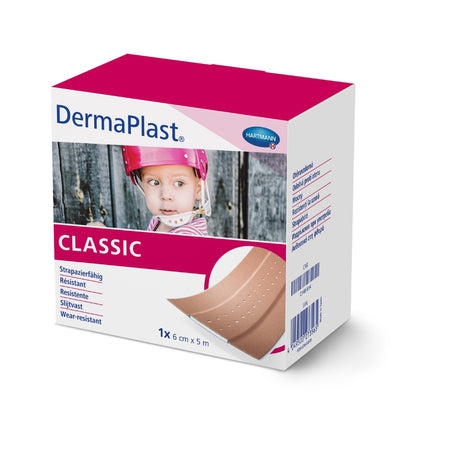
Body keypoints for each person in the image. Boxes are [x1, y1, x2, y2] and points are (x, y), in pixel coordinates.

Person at [122, 146, 210, 236]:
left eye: (179, 183)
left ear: (198, 190)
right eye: (154, 182)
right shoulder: (158, 220)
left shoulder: (188, 235)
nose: (165, 195)